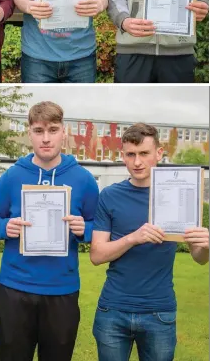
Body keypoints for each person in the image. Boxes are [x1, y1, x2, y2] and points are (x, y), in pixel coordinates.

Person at [0, 101, 99, 360]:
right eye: (39, 131)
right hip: (14, 288)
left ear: (64, 132)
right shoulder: (12, 176)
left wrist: (84, 229)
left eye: (52, 130)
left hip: (61, 290)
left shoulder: (83, 179)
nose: (46, 138)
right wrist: (5, 227)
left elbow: (99, 226)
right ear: (29, 134)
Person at [91, 123, 209, 360]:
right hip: (113, 309)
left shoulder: (179, 194)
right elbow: (96, 255)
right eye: (130, 155)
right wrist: (133, 238)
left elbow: (200, 259)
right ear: (122, 156)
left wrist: (204, 246)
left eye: (144, 153)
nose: (137, 162)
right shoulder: (109, 196)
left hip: (160, 311)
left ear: (159, 153)